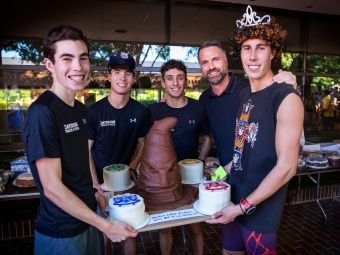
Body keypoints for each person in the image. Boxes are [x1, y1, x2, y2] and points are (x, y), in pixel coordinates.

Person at [21, 26, 137, 255]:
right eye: (67, 58)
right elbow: (52, 188)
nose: (78, 66)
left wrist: (96, 194)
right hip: (61, 233)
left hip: (88, 220)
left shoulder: (82, 111)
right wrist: (106, 226)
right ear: (49, 65)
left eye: (82, 58)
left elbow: (79, 166)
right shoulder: (42, 113)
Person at [205, 5, 304, 254]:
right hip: (233, 201)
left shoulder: (286, 97)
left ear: (273, 52)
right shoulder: (244, 95)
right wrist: (210, 180)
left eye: (261, 48)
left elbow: (287, 167)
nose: (252, 56)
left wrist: (242, 207)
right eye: (246, 48)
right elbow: (239, 155)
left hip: (259, 211)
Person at [87, 51, 150, 255]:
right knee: (104, 235)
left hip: (127, 184)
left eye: (127, 73)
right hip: (101, 186)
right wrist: (96, 186)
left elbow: (142, 145)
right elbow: (85, 150)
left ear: (133, 78)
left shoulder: (141, 112)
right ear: (109, 77)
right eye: (117, 72)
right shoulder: (94, 111)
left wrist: (132, 168)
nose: (122, 78)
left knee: (129, 232)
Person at [148, 59, 212, 255]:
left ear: (185, 81)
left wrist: (199, 162)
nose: (175, 83)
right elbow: (144, 144)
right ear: (163, 83)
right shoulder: (153, 111)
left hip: (190, 178)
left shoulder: (198, 108)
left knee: (194, 226)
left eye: (179, 78)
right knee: (165, 227)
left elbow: (208, 138)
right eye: (170, 78)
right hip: (164, 180)